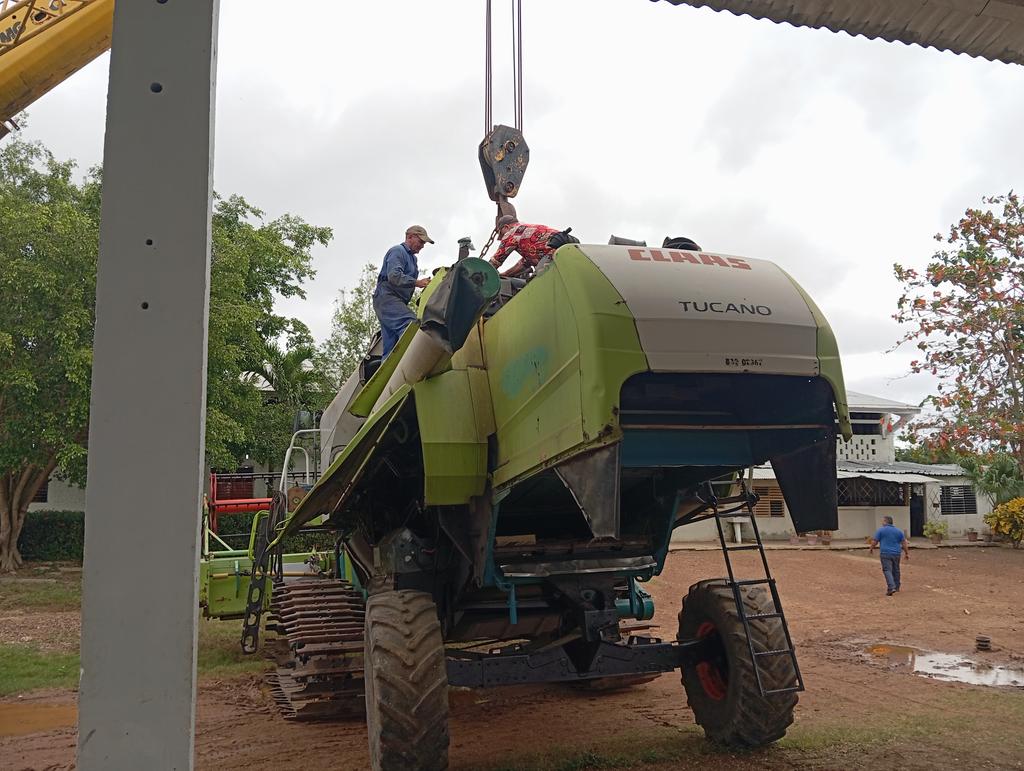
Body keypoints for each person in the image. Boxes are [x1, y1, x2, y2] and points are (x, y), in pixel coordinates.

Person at [373, 225, 433, 357]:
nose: (422, 246)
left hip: (393, 301)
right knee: (410, 325)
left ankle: (390, 369)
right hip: (387, 298)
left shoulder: (413, 259)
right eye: (421, 241)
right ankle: (415, 361)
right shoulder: (398, 251)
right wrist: (417, 282)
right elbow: (394, 276)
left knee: (391, 346)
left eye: (424, 243)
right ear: (410, 237)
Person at [488, 215, 569, 278]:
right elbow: (523, 264)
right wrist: (505, 274)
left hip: (553, 254)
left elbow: (496, 260)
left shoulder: (512, 233)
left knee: (536, 282)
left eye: (501, 234)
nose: (502, 237)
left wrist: (484, 271)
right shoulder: (527, 231)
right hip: (566, 247)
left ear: (506, 227)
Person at [869, 516, 910, 596]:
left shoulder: (881, 530)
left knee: (887, 570)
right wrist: (906, 553)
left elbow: (875, 541)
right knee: (896, 570)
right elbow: (904, 543)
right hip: (896, 553)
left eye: (882, 521)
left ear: (885, 521)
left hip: (885, 553)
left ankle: (891, 586)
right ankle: (897, 586)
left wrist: (871, 548)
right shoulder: (898, 531)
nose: (882, 523)